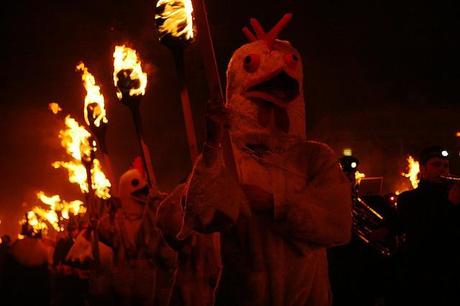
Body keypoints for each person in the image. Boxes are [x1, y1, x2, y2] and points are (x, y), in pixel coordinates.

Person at [178, 14, 351, 306]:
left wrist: (275, 203)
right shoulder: (227, 159)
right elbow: (200, 215)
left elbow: (337, 225)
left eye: (285, 87)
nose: (274, 95)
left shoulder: (315, 159)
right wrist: (211, 145)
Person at [98, 160, 175, 306]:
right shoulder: (114, 221)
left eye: (144, 191)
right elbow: (103, 235)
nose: (143, 195)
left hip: (152, 285)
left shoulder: (153, 217)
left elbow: (164, 249)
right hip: (124, 286)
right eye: (139, 192)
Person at [396, 145, 460, 306]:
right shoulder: (409, 198)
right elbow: (423, 231)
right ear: (423, 169)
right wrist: (450, 205)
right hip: (424, 274)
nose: (443, 170)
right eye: (436, 165)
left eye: (446, 165)